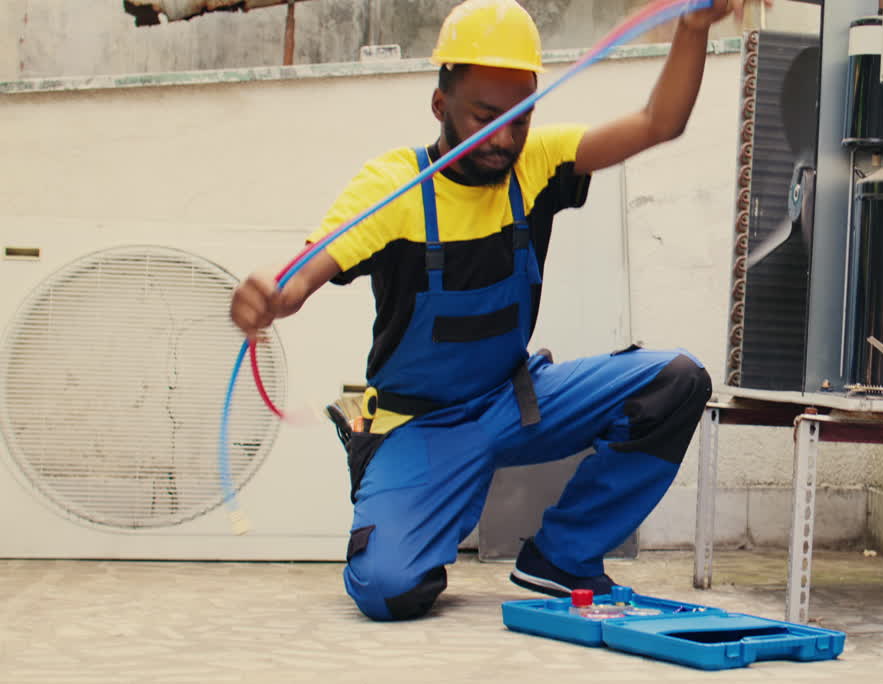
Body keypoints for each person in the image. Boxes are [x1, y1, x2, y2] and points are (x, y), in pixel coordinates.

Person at [230, 0, 763, 621]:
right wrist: (268, 292)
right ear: (440, 106)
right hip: (419, 426)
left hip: (514, 402)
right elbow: (301, 276)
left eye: (520, 118)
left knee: (675, 382)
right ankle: (407, 506)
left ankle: (563, 555)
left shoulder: (536, 165)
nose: (505, 139)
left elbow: (657, 121)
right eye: (487, 119)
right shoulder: (390, 188)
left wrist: (692, 28)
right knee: (387, 592)